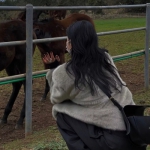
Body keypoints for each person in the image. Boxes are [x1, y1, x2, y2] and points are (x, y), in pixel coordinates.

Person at [43, 20, 146, 150]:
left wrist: (53, 69)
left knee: (60, 112)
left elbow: (55, 98)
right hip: (135, 131)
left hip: (113, 141)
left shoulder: (65, 72)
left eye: (67, 40)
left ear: (71, 43)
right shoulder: (105, 58)